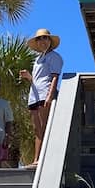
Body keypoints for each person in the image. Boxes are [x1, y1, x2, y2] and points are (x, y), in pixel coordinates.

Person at [19, 28, 63, 166]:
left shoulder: (54, 57)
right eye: (39, 39)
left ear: (50, 40)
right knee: (37, 129)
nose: (42, 41)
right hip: (34, 96)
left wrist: (50, 95)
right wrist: (28, 77)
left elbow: (55, 76)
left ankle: (45, 158)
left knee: (44, 127)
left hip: (45, 94)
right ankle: (36, 159)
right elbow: (37, 80)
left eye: (45, 38)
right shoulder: (38, 59)